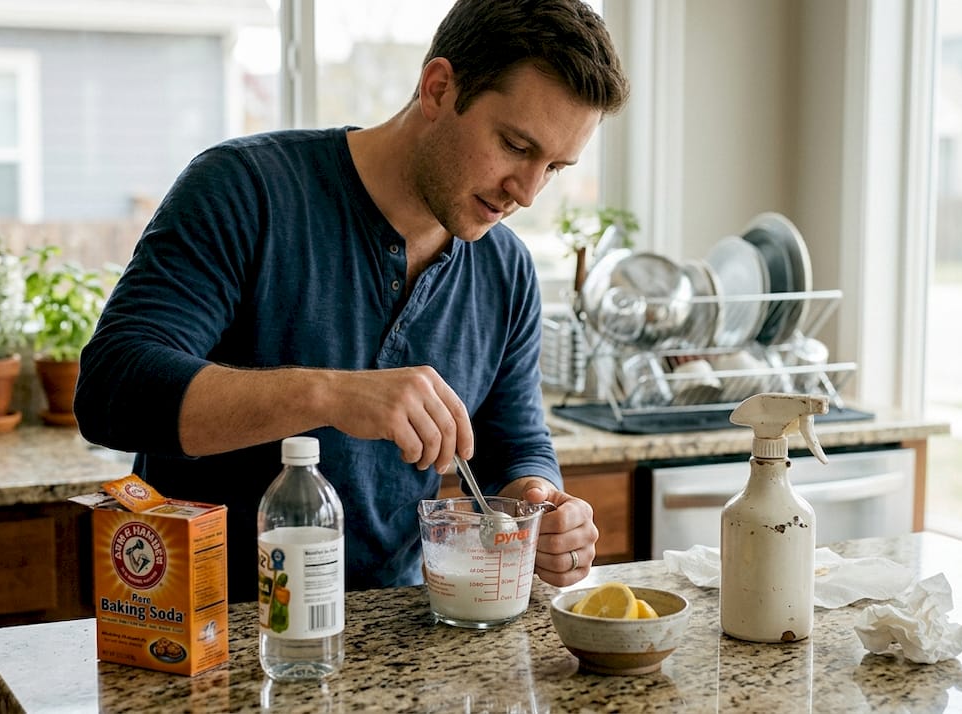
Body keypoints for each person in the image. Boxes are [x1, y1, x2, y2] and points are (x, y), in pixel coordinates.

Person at [75, 0, 629, 603]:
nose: (526, 191)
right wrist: (333, 394)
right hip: (202, 629)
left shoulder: (507, 270)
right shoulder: (245, 189)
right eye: (516, 145)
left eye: (553, 166)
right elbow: (111, 391)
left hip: (386, 631)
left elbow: (512, 443)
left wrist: (539, 502)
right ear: (439, 88)